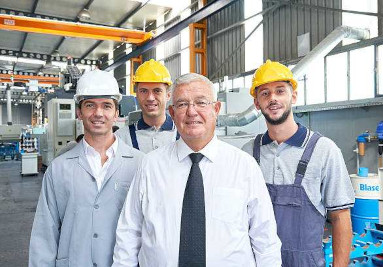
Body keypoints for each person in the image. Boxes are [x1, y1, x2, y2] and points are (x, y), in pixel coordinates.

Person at [112, 73, 282, 267]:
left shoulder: (244, 166)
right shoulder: (151, 166)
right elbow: (128, 234)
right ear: (173, 113)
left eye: (201, 102)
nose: (191, 112)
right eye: (182, 104)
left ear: (216, 109)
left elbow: (265, 241)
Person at [242, 60, 355, 267]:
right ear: (257, 103)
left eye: (280, 91)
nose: (273, 98)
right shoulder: (248, 153)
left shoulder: (324, 150)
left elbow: (340, 217)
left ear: (293, 96)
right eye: (264, 93)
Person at [29, 69, 144, 267]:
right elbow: (44, 236)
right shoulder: (58, 169)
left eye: (106, 106)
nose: (98, 113)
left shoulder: (140, 164)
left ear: (116, 113)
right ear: (79, 112)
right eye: (90, 105)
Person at [115, 59, 178, 153]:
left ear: (168, 95)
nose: (150, 98)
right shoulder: (121, 138)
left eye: (157, 91)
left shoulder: (184, 135)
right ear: (137, 94)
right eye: (144, 91)